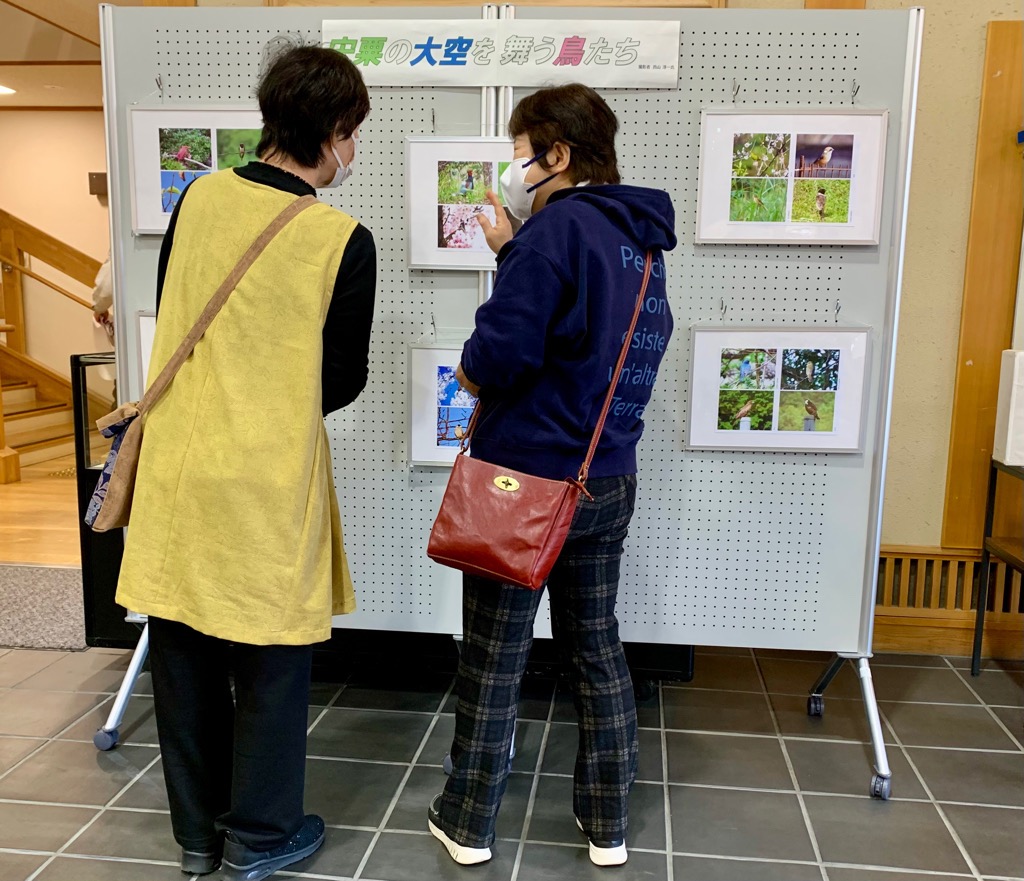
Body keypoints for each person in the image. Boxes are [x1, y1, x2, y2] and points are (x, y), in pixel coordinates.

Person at [114, 45, 375, 881]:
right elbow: (341, 380)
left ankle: (197, 837)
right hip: (269, 476)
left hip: (181, 471)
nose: (353, 149)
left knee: (183, 654)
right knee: (270, 658)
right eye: (355, 133)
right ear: (335, 132)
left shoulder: (196, 198)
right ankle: (261, 836)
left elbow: (174, 312)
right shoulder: (343, 240)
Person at [427, 84, 676, 868]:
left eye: (518, 153)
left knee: (495, 653)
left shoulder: (554, 231)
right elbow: (587, 336)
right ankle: (608, 825)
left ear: (556, 155)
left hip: (524, 483)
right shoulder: (640, 241)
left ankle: (467, 821)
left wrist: (473, 360)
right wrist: (514, 251)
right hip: (606, 480)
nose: (512, 170)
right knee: (595, 649)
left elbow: (499, 354)